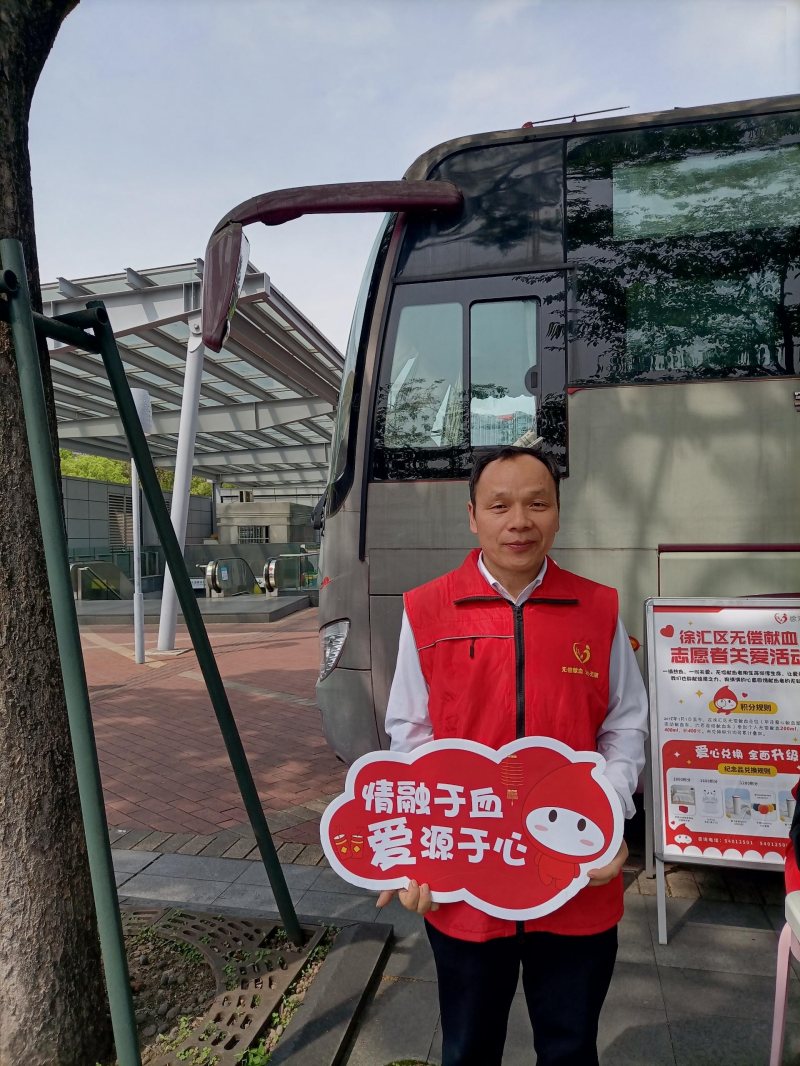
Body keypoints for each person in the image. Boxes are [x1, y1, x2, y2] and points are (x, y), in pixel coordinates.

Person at [377, 444, 648, 1066]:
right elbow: (411, 735)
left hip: (575, 879)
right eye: (499, 506)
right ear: (473, 516)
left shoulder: (598, 608)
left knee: (571, 1047)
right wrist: (419, 850)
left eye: (537, 504)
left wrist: (605, 817)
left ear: (558, 513)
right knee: (468, 1049)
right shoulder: (427, 609)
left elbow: (624, 724)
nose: (519, 522)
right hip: (470, 882)